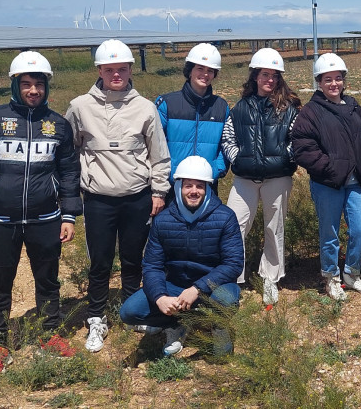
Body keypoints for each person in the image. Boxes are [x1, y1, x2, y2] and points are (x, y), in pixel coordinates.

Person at [0, 51, 81, 344]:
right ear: (15, 84)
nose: (33, 90)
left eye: (39, 84)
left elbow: (69, 174)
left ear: (47, 86)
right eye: (26, 84)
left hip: (46, 220)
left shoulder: (58, 125)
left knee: (48, 281)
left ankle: (51, 336)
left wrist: (69, 214)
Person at [66, 39, 171, 353]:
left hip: (136, 197)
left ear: (130, 70)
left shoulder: (145, 107)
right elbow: (68, 151)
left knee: (132, 258)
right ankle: (96, 316)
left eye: (121, 69)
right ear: (99, 70)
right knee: (99, 262)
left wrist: (159, 191)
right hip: (98, 199)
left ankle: (130, 309)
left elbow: (159, 155)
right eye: (109, 69)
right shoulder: (79, 106)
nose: (116, 74)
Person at [119, 156, 243, 357]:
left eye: (200, 186)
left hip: (213, 285)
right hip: (174, 284)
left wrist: (197, 288)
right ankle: (177, 323)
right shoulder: (163, 220)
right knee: (130, 311)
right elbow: (152, 266)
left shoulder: (225, 216)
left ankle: (218, 326)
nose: (194, 191)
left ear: (208, 188)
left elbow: (233, 263)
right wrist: (160, 297)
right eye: (188, 186)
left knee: (226, 299)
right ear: (178, 187)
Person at [221, 48, 300, 304]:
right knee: (234, 225)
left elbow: (295, 138)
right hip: (244, 178)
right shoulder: (240, 108)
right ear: (255, 76)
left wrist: (285, 158)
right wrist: (238, 159)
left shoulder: (289, 108)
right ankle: (232, 278)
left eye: (275, 76)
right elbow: (228, 137)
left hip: (277, 178)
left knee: (273, 228)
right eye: (265, 74)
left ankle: (270, 278)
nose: (270, 80)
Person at [292, 53, 361, 301]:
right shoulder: (310, 112)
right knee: (330, 234)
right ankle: (330, 277)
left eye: (338, 78)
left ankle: (351, 273)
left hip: (356, 182)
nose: (334, 84)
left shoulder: (354, 106)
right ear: (319, 82)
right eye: (328, 79)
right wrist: (331, 167)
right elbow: (303, 149)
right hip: (327, 183)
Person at [156, 42, 229, 181]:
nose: (205, 74)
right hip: (172, 182)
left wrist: (216, 169)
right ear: (190, 71)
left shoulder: (221, 107)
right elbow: (155, 144)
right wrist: (168, 173)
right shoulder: (167, 103)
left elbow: (225, 144)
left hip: (207, 183)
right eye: (200, 68)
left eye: (210, 70)